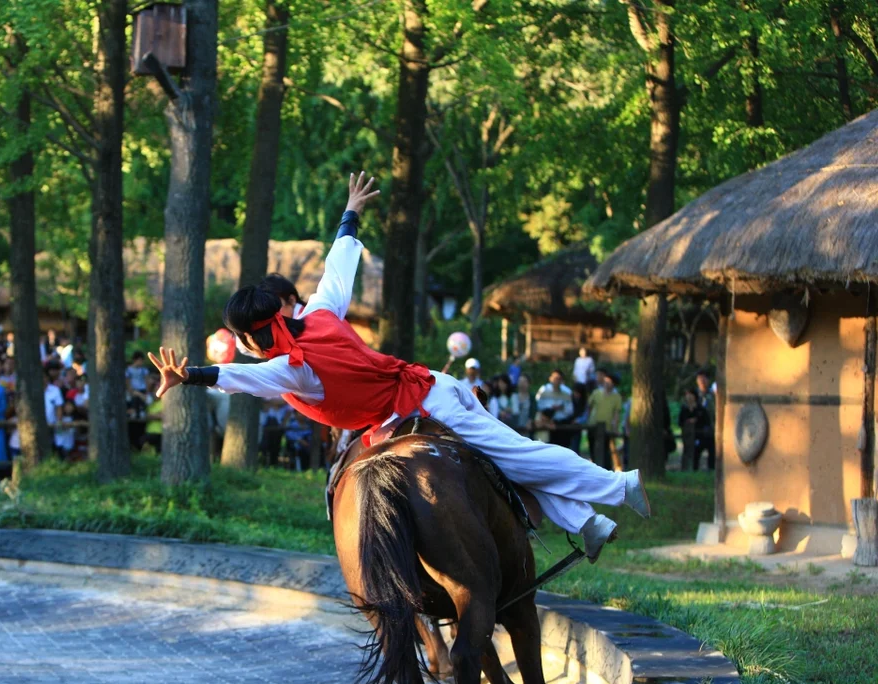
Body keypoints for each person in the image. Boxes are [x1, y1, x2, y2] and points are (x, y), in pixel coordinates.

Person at [150, 171, 649, 561]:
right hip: (432, 384)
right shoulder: (320, 312)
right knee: (507, 460)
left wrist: (190, 376)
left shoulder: (295, 369)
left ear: (249, 337)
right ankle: (588, 523)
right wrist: (350, 213)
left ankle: (619, 486)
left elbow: (243, 378)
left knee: (519, 454)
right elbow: (339, 264)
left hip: (423, 405)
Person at [586, 371, 622, 467]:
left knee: (604, 451)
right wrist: (587, 421)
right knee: (592, 449)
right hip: (593, 425)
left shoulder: (616, 397)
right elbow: (589, 407)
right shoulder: (596, 393)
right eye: (606, 381)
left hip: (607, 428)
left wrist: (615, 427)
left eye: (609, 382)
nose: (607, 383)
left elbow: (616, 414)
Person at [535, 370, 574, 447]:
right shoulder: (544, 390)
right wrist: (550, 409)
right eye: (555, 378)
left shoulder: (567, 392)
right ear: (550, 378)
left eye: (559, 378)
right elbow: (538, 406)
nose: (556, 380)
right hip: (547, 424)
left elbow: (570, 410)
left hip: (562, 425)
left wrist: (562, 408)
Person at [695, 369, 716, 469]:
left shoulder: (713, 395)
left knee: (712, 452)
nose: (702, 381)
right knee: (695, 453)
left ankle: (711, 470)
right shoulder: (694, 395)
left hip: (711, 428)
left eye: (704, 379)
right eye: (700, 379)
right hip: (697, 429)